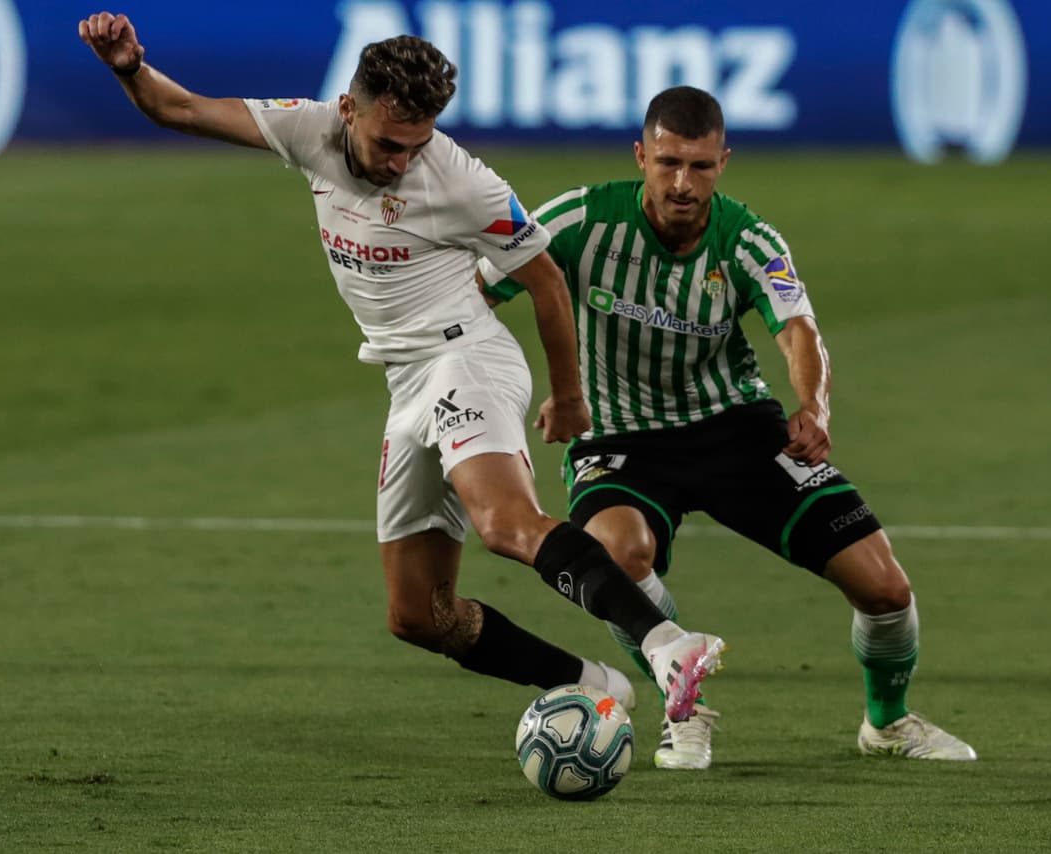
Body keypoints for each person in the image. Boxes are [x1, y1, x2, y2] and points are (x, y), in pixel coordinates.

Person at [77, 13, 727, 724]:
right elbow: (180, 108)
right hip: (406, 379)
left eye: (414, 146)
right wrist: (129, 67)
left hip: (466, 358)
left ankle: (666, 644)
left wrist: (568, 397)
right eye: (388, 143)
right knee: (419, 615)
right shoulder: (310, 130)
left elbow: (545, 280)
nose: (398, 163)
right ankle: (597, 683)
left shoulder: (460, 181)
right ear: (348, 109)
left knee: (505, 524)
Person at [479, 86, 976, 769]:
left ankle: (886, 724)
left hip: (735, 430)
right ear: (640, 156)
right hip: (620, 439)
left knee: (884, 587)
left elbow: (798, 330)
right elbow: (478, 288)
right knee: (618, 552)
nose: (683, 183)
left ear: (724, 162)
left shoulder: (746, 238)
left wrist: (815, 406)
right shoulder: (577, 221)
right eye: (668, 162)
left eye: (701, 167)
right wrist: (507, 391)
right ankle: (681, 708)